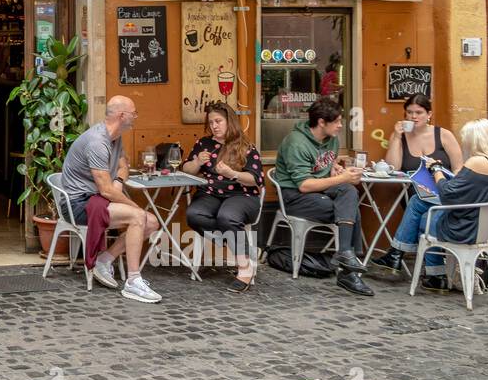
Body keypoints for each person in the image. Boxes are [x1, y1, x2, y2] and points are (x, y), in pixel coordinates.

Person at [371, 118, 488, 293]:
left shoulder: (476, 162)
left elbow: (447, 194)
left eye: (466, 138)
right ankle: (421, 269)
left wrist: (436, 170)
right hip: (481, 228)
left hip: (462, 228)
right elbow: (470, 192)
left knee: (426, 216)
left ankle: (422, 268)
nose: (464, 142)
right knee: (420, 202)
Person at [59, 95, 162, 303]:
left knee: (152, 223)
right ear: (122, 116)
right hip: (78, 204)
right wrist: (136, 209)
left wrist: (118, 181)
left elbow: (123, 166)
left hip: (97, 198)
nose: (136, 116)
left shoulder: (115, 137)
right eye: (134, 113)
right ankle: (133, 282)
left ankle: (104, 260)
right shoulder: (98, 141)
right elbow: (105, 190)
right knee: (139, 218)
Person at [274, 97, 373, 296]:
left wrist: (335, 169)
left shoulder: (332, 139)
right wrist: (341, 178)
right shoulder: (296, 143)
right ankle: (349, 267)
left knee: (350, 192)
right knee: (348, 206)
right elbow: (304, 185)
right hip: (295, 197)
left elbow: (326, 164)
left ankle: (345, 254)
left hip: (320, 191)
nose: (340, 125)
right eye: (336, 121)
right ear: (321, 122)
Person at [182, 101, 264, 294]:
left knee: (227, 217)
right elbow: (186, 169)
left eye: (218, 121)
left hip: (242, 195)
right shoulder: (204, 143)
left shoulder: (245, 146)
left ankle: (245, 268)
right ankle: (237, 242)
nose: (214, 126)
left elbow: (255, 179)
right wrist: (196, 162)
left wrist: (232, 173)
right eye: (211, 123)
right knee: (193, 214)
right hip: (210, 194)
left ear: (230, 122)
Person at [382, 92, 463, 174]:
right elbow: (392, 168)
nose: (413, 116)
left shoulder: (444, 135)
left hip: (442, 185)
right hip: (411, 186)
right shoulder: (399, 136)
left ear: (429, 114)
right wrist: (396, 137)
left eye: (419, 112)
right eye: (409, 112)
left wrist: (452, 186)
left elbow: (458, 168)